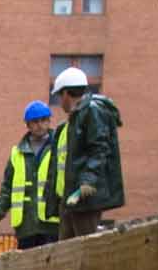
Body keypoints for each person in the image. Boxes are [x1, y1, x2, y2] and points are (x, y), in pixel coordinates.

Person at [51, 66, 124, 240]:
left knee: (84, 247)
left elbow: (100, 147)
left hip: (85, 199)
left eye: (59, 96)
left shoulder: (92, 111)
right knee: (66, 250)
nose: (60, 102)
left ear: (66, 94)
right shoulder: (77, 117)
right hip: (72, 198)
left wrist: (89, 179)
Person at [0, 101, 65, 250]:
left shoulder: (58, 147)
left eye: (44, 120)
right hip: (26, 226)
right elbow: (8, 187)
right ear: (28, 125)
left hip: (51, 222)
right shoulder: (17, 153)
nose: (40, 125)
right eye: (35, 121)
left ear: (49, 121)